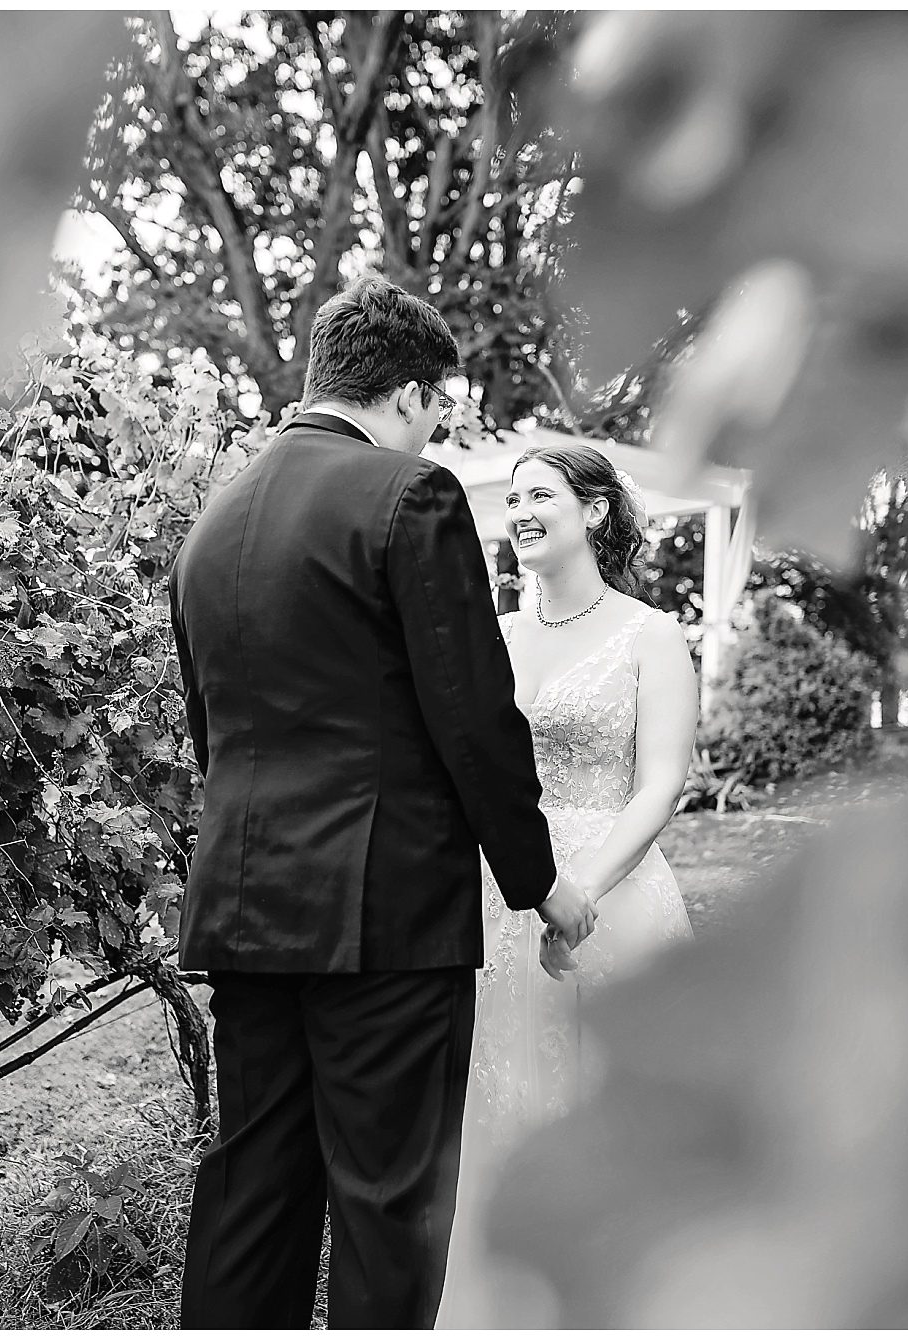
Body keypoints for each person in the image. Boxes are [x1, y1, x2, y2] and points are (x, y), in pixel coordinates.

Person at [169, 274, 596, 1329]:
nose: (434, 429)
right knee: (387, 1197)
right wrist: (537, 880)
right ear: (408, 394)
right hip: (385, 916)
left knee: (253, 1191)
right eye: (436, 409)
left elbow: (209, 732)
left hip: (243, 905)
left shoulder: (212, 524)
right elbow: (472, 717)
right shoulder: (412, 496)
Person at [436, 443, 699, 1328]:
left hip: (613, 898)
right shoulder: (497, 634)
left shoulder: (649, 634)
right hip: (501, 896)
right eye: (511, 500)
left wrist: (578, 891)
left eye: (539, 495)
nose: (520, 513)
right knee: (502, 1103)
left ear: (594, 511)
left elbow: (662, 784)